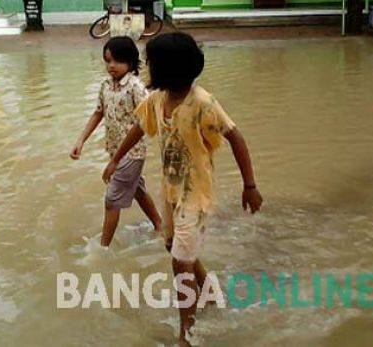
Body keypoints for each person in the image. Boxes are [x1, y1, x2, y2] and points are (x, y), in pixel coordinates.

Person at [102, 32, 263, 345]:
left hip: (196, 195)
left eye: (151, 63)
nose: (147, 68)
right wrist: (115, 161)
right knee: (174, 249)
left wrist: (250, 186)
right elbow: (138, 128)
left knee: (179, 261)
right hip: (171, 192)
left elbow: (236, 137)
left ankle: (185, 332)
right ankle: (211, 293)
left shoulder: (203, 103)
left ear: (166, 68)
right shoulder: (158, 99)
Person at [71, 36, 161, 247]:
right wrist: (81, 140)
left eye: (117, 61)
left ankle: (103, 248)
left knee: (111, 200)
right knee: (138, 190)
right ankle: (159, 223)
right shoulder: (105, 85)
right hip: (115, 150)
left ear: (130, 62)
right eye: (107, 61)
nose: (111, 66)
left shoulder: (135, 87)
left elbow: (148, 119)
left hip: (133, 153)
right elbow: (98, 113)